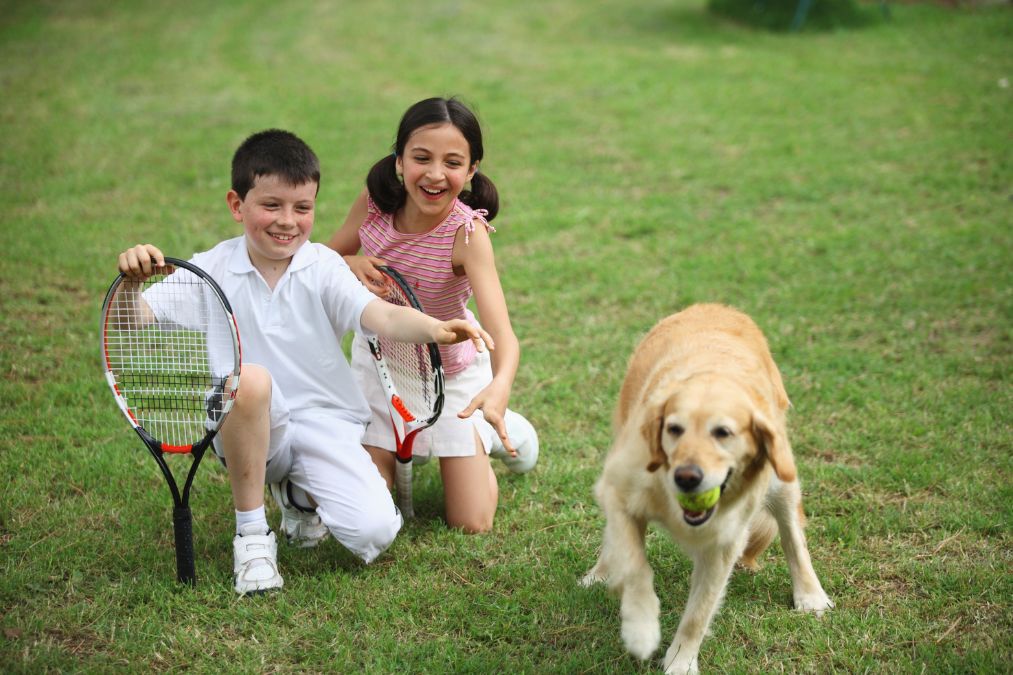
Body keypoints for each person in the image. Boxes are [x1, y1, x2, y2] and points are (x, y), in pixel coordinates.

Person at [115, 129, 493, 595]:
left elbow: (381, 315)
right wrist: (132, 282)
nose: (287, 222)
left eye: (302, 208)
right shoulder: (210, 268)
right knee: (251, 380)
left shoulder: (324, 267)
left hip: (323, 423)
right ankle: (252, 536)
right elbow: (135, 322)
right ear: (237, 205)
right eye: (270, 206)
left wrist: (435, 328)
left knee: (374, 531)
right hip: (248, 423)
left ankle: (297, 495)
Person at [328, 97, 538, 534]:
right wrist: (349, 263)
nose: (435, 174)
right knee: (368, 499)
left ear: (472, 170)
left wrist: (499, 387)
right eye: (421, 158)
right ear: (399, 160)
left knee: (471, 523)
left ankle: (495, 430)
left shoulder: (467, 233)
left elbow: (502, 333)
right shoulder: (373, 203)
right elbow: (324, 259)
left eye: (453, 162)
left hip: (452, 374)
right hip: (380, 366)